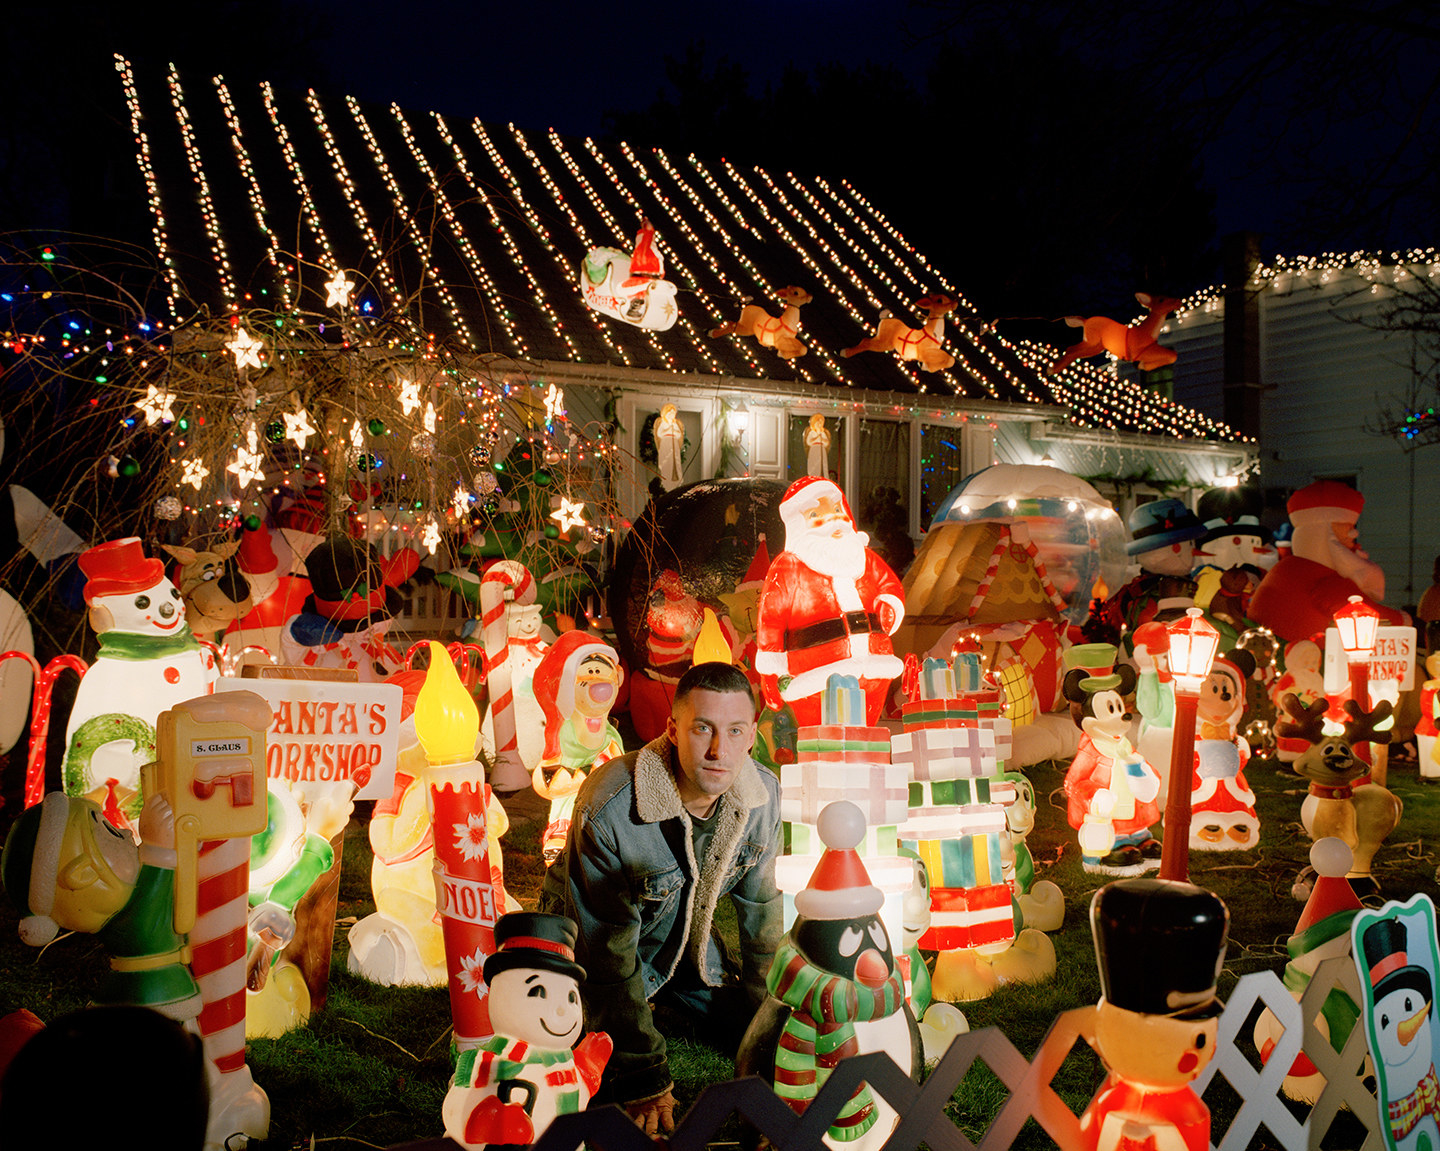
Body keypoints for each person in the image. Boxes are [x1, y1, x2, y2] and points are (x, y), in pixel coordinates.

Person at [540, 661, 782, 1136]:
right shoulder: (610, 803)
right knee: (573, 1050)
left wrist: (771, 1038)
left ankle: (664, 1002)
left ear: (752, 734)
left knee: (745, 1023)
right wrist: (643, 1075)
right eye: (703, 729)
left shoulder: (763, 797)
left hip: (683, 943)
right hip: (585, 944)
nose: (719, 750)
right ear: (673, 728)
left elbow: (763, 925)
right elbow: (604, 952)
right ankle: (636, 1024)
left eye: (735, 732)